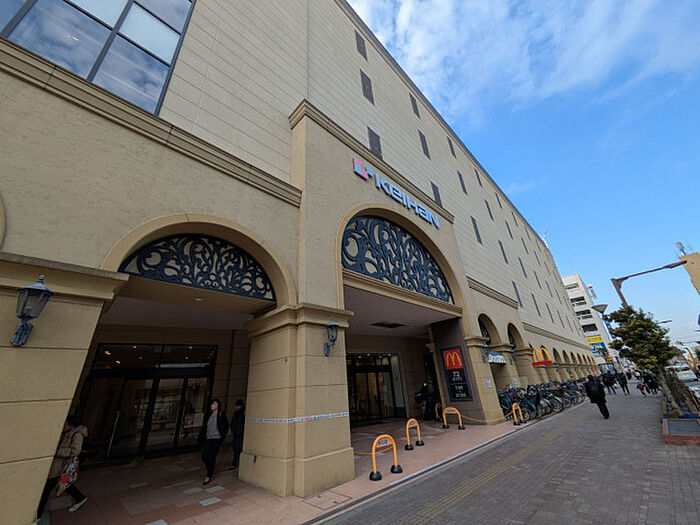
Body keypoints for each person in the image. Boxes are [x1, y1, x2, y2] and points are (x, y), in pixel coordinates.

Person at [37, 417, 88, 521]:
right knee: (64, 484)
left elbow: (76, 451)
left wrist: (58, 452)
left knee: (47, 488)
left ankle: (38, 514)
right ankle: (80, 497)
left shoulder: (77, 434)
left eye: (66, 424)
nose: (64, 426)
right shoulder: (68, 433)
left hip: (61, 465)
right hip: (59, 465)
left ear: (71, 425)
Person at [199, 399, 229, 485]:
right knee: (204, 456)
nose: (212, 405)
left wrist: (222, 436)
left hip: (216, 439)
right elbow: (204, 426)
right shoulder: (208, 415)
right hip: (208, 438)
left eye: (215, 403)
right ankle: (210, 468)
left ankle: (209, 474)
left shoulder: (221, 415)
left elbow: (226, 426)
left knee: (212, 456)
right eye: (212, 403)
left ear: (218, 405)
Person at [228, 399, 246, 472]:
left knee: (237, 449)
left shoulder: (238, 413)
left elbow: (233, 423)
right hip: (240, 433)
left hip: (238, 433)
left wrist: (234, 430)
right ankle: (237, 463)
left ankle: (235, 463)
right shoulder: (243, 412)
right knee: (238, 449)